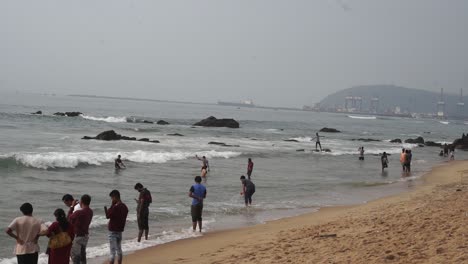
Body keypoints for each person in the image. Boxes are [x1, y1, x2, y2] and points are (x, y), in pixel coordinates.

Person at [104, 190, 128, 264]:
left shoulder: (115, 207)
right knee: (119, 249)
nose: (112, 200)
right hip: (120, 230)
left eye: (112, 198)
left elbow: (107, 216)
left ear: (115, 197)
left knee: (112, 252)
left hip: (113, 231)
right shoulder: (124, 207)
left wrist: (111, 206)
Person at [68, 194, 93, 264]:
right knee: (82, 256)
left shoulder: (79, 213)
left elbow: (69, 218)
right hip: (85, 236)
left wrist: (72, 206)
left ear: (81, 202)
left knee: (75, 256)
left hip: (78, 236)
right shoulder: (90, 211)